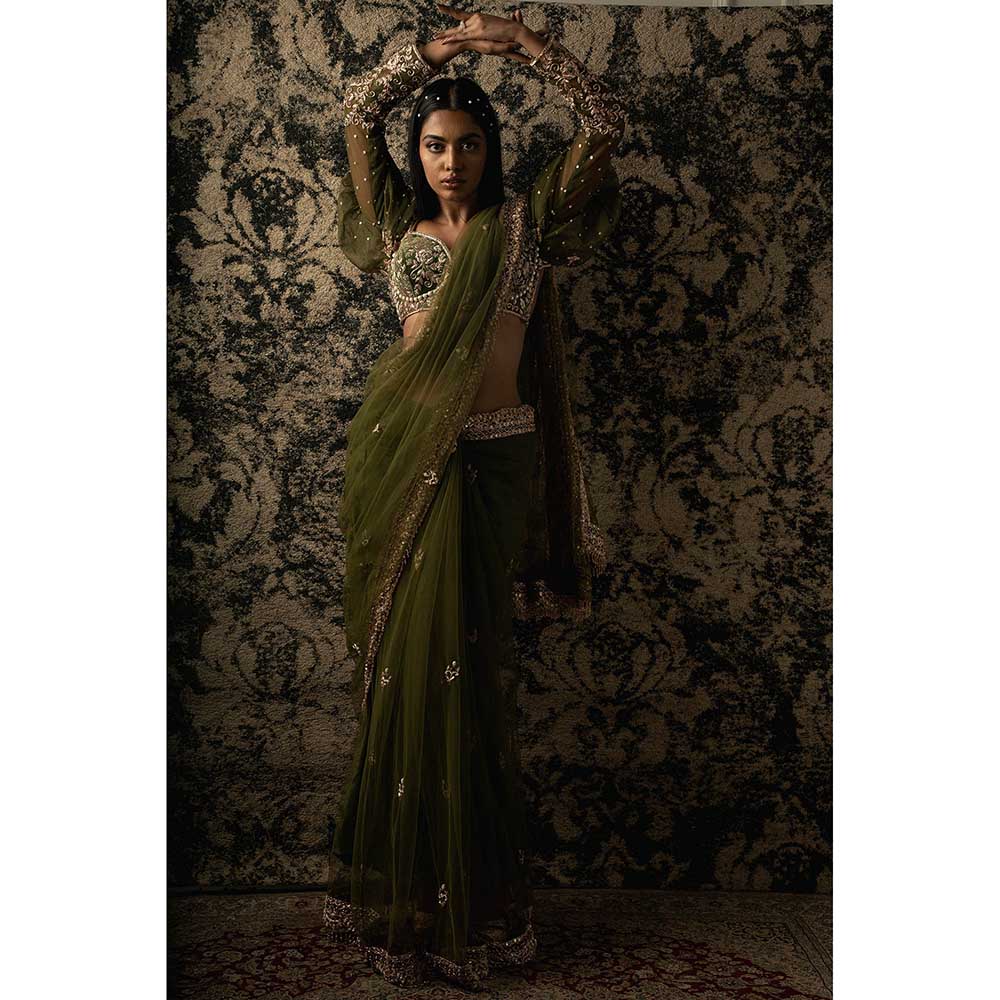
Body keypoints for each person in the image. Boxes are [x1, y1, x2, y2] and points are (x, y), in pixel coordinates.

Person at [322, 3, 626, 989]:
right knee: (409, 677)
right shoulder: (394, 227)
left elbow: (605, 123)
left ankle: (474, 910)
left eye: (467, 144)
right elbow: (356, 115)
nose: (449, 162)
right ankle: (406, 910)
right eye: (434, 144)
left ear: (492, 150)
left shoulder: (526, 225)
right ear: (417, 153)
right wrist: (440, 51)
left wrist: (528, 47)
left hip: (495, 459)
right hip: (405, 454)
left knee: (471, 677)